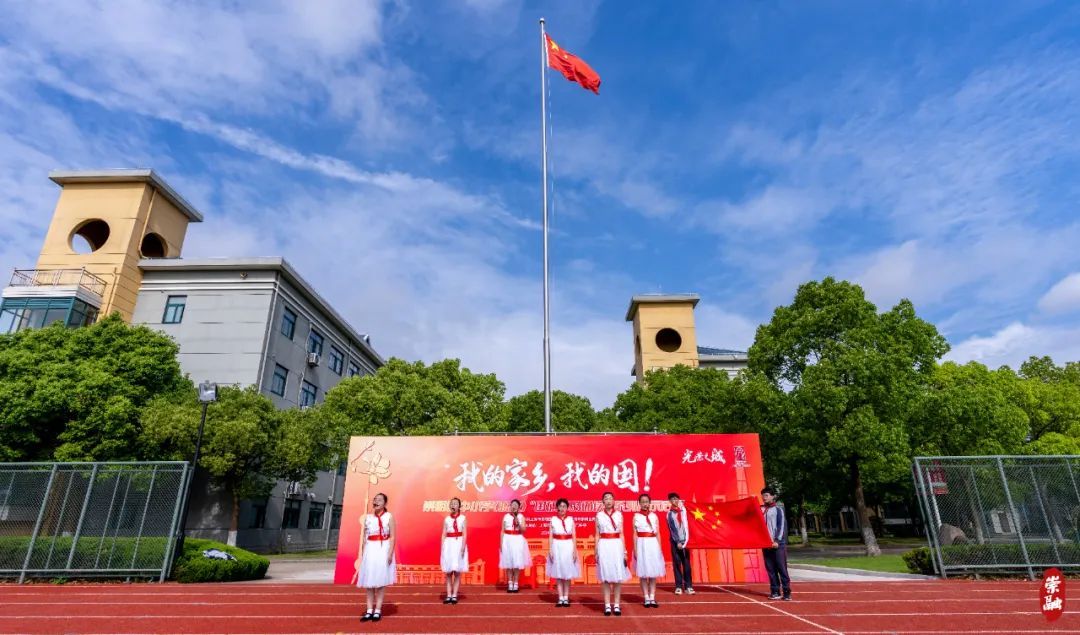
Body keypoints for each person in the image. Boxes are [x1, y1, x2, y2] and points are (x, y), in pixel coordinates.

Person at [358, 492, 396, 623]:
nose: (376, 501)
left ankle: (378, 610)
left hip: (383, 549)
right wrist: (363, 553)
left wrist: (390, 553)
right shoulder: (368, 518)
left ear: (385, 503)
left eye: (379, 500)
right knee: (369, 583)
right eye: (375, 499)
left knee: (380, 582)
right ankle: (369, 610)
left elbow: (392, 536)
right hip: (370, 549)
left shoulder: (389, 517)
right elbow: (364, 537)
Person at [594, 491, 630, 616]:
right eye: (606, 498)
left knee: (617, 577)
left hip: (616, 545)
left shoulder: (619, 515)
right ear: (603, 502)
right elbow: (597, 534)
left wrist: (624, 552)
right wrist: (596, 552)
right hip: (603, 545)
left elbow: (622, 534)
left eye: (610, 498)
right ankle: (607, 605)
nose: (608, 500)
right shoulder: (599, 515)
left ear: (614, 501)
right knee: (605, 577)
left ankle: (617, 605)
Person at [633, 494, 665, 608]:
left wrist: (659, 548)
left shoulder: (654, 516)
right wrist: (635, 549)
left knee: (652, 574)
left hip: (652, 544)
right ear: (639, 503)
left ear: (649, 503)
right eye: (642, 502)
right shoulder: (636, 516)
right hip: (642, 544)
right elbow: (635, 534)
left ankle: (652, 597)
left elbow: (658, 533)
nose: (645, 503)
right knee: (643, 574)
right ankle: (646, 598)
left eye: (647, 501)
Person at [547, 497, 580, 607]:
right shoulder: (553, 520)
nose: (562, 508)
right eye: (560, 506)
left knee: (567, 574)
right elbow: (551, 536)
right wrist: (550, 549)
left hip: (568, 546)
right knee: (559, 573)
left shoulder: (571, 520)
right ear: (557, 508)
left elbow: (574, 536)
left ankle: (566, 598)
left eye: (564, 506)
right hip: (557, 546)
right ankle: (560, 598)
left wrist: (575, 550)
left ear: (567, 508)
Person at [760, 486, 791, 601]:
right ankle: (775, 591)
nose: (764, 498)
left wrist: (777, 540)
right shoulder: (761, 510)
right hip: (766, 544)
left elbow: (781, 526)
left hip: (778, 544)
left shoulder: (778, 510)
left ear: (773, 496)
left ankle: (787, 592)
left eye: (766, 495)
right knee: (771, 569)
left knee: (781, 568)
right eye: (763, 496)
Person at [440, 497, 468, 605]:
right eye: (452, 503)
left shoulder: (463, 518)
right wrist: (443, 547)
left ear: (459, 506)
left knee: (456, 572)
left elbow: (465, 533)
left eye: (455, 504)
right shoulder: (447, 519)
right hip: (449, 544)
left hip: (458, 544)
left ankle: (454, 595)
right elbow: (443, 533)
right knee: (448, 572)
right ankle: (448, 595)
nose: (453, 505)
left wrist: (463, 547)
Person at [666, 492, 694, 595]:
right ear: (670, 501)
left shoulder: (684, 511)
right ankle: (678, 586)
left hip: (685, 541)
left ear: (679, 500)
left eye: (676, 499)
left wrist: (686, 540)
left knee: (686, 564)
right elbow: (672, 529)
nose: (675, 501)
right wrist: (677, 541)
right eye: (672, 499)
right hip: (675, 542)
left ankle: (689, 586)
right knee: (677, 563)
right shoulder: (669, 514)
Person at [499, 499, 530, 593]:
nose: (514, 506)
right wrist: (501, 543)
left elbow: (524, 530)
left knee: (516, 563)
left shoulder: (521, 516)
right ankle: (510, 583)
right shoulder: (506, 516)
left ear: (519, 507)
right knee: (508, 563)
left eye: (516, 505)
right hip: (507, 540)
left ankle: (515, 583)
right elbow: (502, 530)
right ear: (510, 506)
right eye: (512, 505)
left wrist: (518, 523)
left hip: (518, 539)